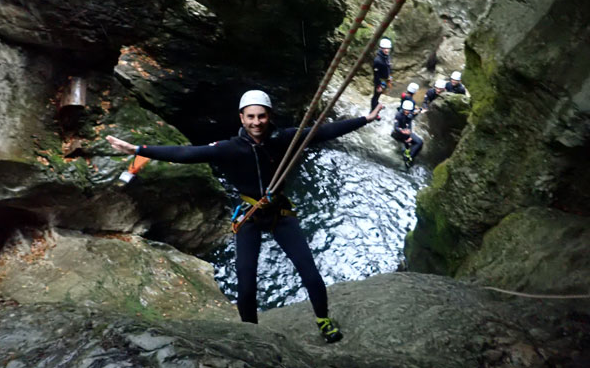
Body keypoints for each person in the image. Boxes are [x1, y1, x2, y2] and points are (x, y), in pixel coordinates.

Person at [106, 90, 384, 343]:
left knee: (310, 273)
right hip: (250, 215)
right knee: (246, 282)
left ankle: (323, 320)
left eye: (261, 116)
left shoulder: (284, 138)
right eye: (250, 117)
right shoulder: (230, 147)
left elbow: (322, 131)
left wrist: (365, 119)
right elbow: (188, 153)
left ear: (269, 116)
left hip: (279, 212)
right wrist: (139, 150)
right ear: (241, 118)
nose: (256, 122)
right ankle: (251, 332)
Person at [391, 100, 423, 168]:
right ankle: (407, 157)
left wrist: (420, 109)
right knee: (407, 145)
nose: (407, 112)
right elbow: (396, 127)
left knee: (419, 142)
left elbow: (410, 121)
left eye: (408, 110)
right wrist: (403, 131)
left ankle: (410, 156)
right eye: (405, 110)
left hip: (406, 133)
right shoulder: (398, 115)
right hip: (398, 133)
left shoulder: (410, 114)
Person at [370, 38, 393, 114]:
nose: (386, 50)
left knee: (380, 94)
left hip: (385, 78)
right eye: (384, 49)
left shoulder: (387, 56)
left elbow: (388, 66)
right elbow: (376, 74)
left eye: (388, 48)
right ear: (380, 48)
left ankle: (377, 105)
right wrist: (378, 86)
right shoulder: (378, 60)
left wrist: (390, 77)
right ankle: (373, 111)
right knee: (376, 95)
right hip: (380, 80)